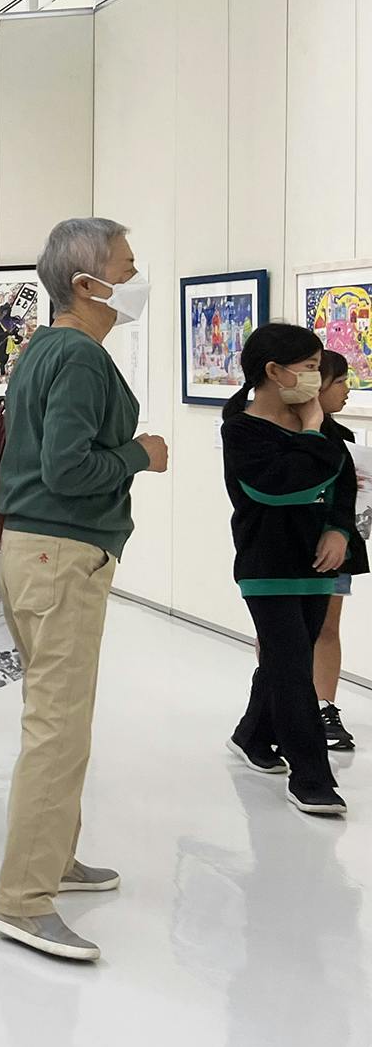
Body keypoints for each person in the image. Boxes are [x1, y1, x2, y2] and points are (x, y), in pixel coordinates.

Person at [0, 218, 169, 963]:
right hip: (59, 556)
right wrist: (140, 454)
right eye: (127, 269)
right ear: (87, 283)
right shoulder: (80, 358)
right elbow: (67, 470)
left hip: (39, 554)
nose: (136, 279)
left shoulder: (46, 348)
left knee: (59, 720)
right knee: (58, 729)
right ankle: (24, 901)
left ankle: (55, 857)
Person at [222, 322, 351, 816]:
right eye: (311, 367)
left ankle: (252, 734)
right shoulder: (242, 430)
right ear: (275, 372)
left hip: (316, 564)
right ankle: (311, 776)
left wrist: (339, 530)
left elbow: (342, 484)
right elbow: (279, 487)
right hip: (267, 565)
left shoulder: (322, 428)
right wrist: (314, 429)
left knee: (284, 659)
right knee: (295, 668)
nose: (318, 377)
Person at [315, 350, 364, 751]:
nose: (347, 389)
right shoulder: (271, 434)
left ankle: (324, 706)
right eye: (340, 381)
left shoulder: (342, 438)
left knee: (327, 626)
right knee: (281, 629)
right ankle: (278, 699)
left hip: (338, 546)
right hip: (289, 547)